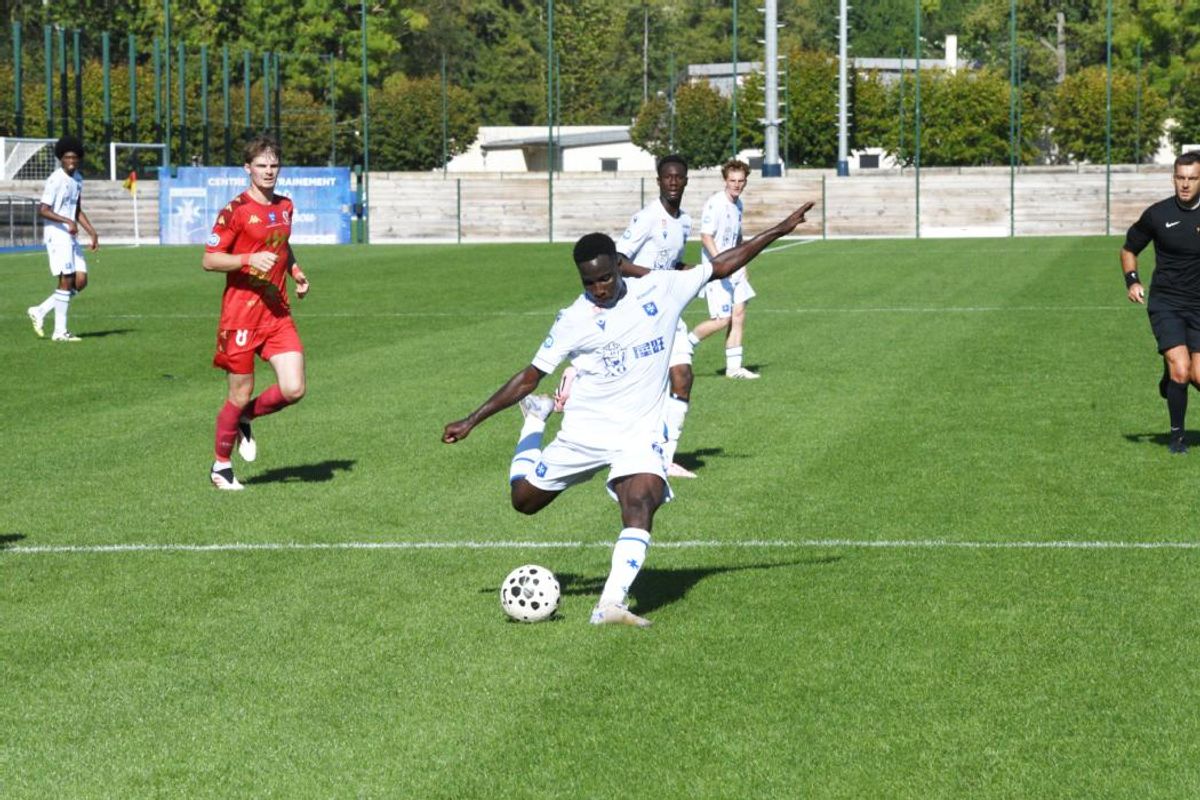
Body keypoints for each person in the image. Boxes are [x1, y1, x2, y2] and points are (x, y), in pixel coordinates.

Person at [442, 200, 813, 627]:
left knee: (643, 499)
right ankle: (535, 421)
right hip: (584, 432)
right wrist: (472, 420)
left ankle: (610, 604)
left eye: (605, 277)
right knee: (523, 502)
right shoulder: (573, 320)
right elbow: (529, 376)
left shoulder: (660, 289)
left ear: (619, 267)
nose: (599, 288)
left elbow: (722, 264)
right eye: (590, 282)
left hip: (638, 433)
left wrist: (781, 228)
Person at [202, 135, 310, 490]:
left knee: (293, 389)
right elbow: (209, 260)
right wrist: (248, 259)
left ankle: (246, 417)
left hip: (276, 312)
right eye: (261, 165)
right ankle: (220, 467)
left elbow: (281, 244)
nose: (268, 171)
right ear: (247, 169)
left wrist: (294, 271)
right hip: (241, 316)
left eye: (273, 165)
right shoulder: (235, 211)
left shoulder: (285, 206)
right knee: (238, 391)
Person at [615, 154, 698, 478]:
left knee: (683, 377)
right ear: (659, 181)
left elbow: (672, 264)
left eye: (679, 177)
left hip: (670, 310)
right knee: (640, 387)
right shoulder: (647, 217)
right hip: (643, 312)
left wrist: (696, 272)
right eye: (668, 177)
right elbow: (618, 260)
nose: (674, 182)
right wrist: (654, 276)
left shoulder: (686, 221)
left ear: (686, 181)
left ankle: (665, 457)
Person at [1122, 150, 1200, 455]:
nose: (1185, 185)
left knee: (1196, 376)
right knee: (1182, 369)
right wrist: (1132, 280)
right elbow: (1129, 249)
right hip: (1166, 303)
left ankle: (1169, 377)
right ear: (1173, 179)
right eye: (1180, 178)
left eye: (1192, 179)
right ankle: (1177, 437)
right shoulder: (1158, 214)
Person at [687, 159, 759, 379]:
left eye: (740, 181)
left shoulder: (739, 204)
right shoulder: (715, 203)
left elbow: (738, 238)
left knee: (739, 315)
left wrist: (742, 263)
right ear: (725, 180)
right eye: (732, 181)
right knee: (722, 319)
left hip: (735, 267)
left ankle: (734, 369)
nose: (736, 185)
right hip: (718, 270)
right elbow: (706, 236)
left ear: (745, 181)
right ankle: (685, 344)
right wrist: (722, 263)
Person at [27, 136, 99, 342]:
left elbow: (76, 209)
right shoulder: (55, 179)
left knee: (81, 280)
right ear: (61, 158)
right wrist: (67, 221)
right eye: (67, 157)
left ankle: (40, 310)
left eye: (75, 157)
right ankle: (60, 332)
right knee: (66, 279)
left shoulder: (78, 178)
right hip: (57, 235)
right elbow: (43, 210)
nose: (71, 161)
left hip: (71, 234)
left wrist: (92, 231)